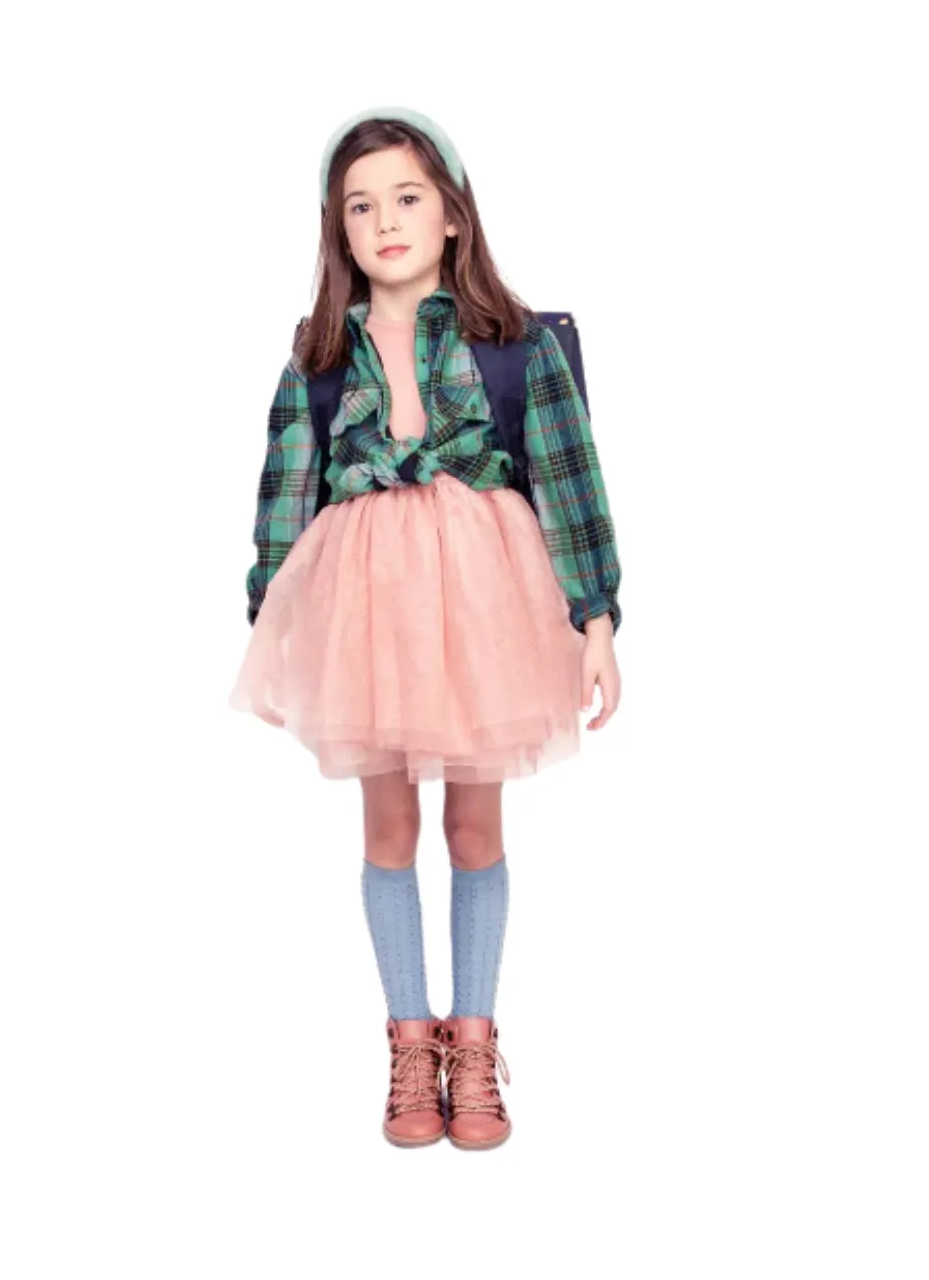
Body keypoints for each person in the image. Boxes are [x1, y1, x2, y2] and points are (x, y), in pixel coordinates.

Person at [228, 106, 622, 1150]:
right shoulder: (319, 357)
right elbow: (285, 499)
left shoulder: (519, 346)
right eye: (360, 208)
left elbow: (569, 479)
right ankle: (410, 1047)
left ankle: (474, 1047)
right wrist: (271, 624)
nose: (386, 222)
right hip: (366, 620)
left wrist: (595, 618)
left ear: (451, 214)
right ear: (339, 230)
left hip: (488, 613)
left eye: (406, 198)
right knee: (389, 831)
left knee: (475, 829)